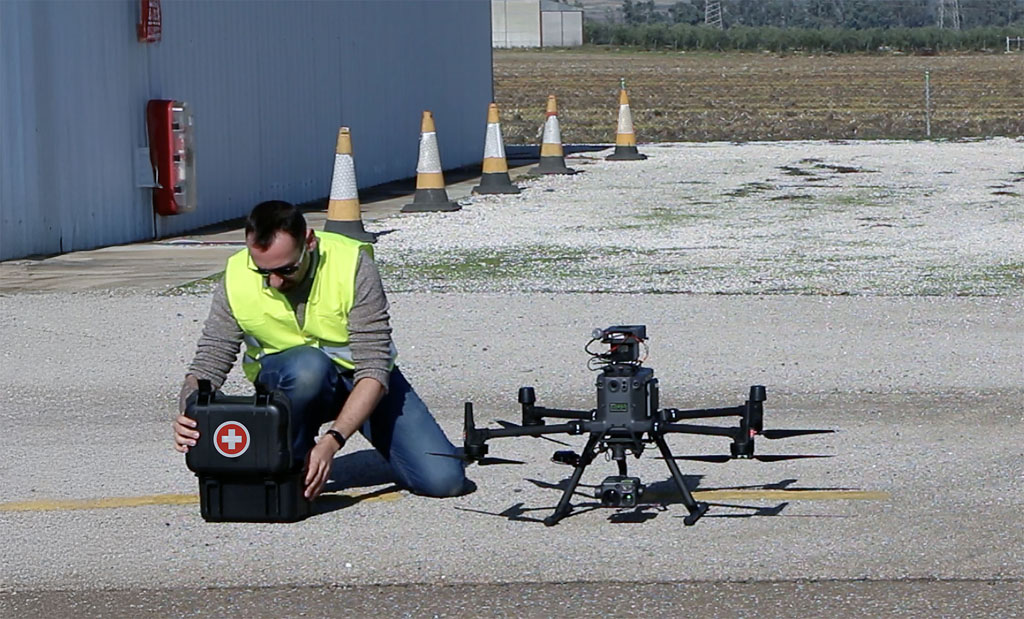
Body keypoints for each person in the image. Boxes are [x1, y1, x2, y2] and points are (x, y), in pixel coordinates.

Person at [173, 200, 465, 500]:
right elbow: (209, 361)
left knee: (444, 481)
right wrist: (191, 410)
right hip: (292, 383)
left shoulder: (351, 264)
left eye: (286, 269)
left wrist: (332, 441)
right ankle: (291, 464)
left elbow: (374, 370)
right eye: (263, 271)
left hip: (361, 383)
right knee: (308, 368)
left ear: (309, 242)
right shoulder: (237, 274)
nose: (275, 282)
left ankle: (319, 446)